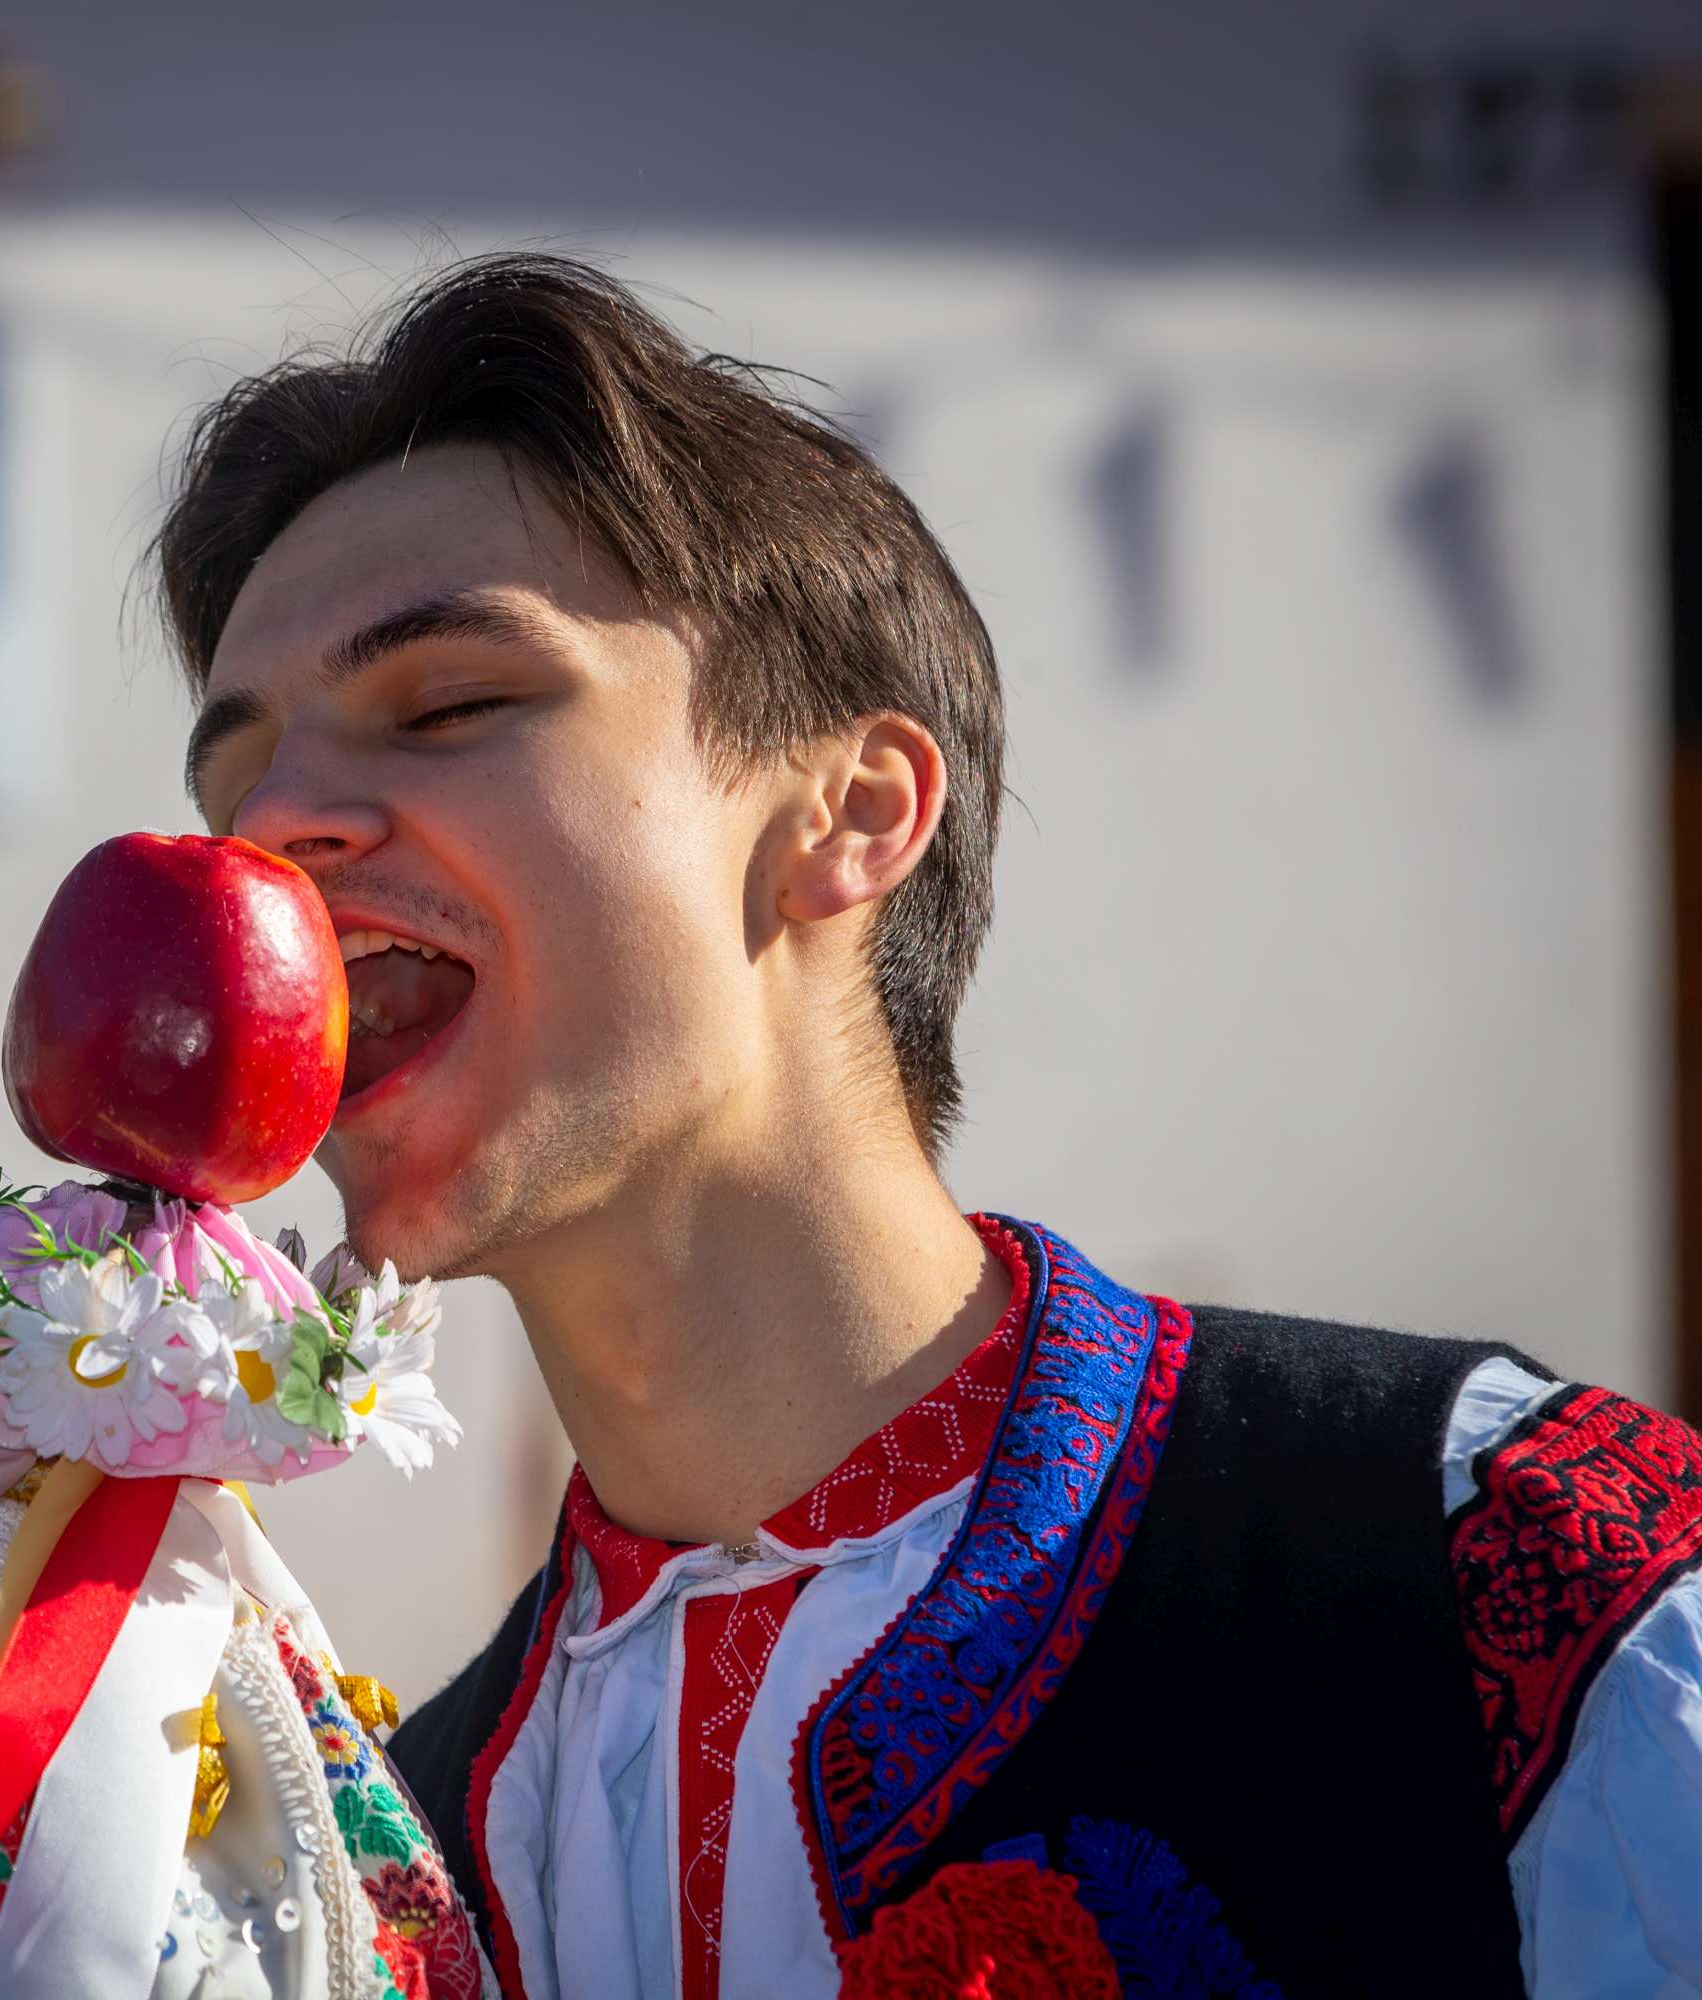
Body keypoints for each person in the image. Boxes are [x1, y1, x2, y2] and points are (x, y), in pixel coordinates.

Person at [156, 252, 1702, 1998]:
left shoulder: (1492, 1555)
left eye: (447, 705)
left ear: (853, 812)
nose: (273, 831)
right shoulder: (374, 1872)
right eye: (234, 784)